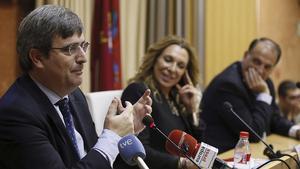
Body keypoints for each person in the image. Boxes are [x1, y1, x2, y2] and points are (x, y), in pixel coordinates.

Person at [0, 5, 152, 169]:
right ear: (37, 57)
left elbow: (96, 161)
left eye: (83, 46)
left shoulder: (74, 96)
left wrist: (124, 135)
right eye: (70, 49)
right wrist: (112, 137)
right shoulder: (16, 114)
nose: (83, 58)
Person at [114, 35, 203, 169]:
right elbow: (138, 150)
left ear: (186, 73)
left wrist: (192, 111)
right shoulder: (139, 92)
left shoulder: (176, 98)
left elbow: (196, 148)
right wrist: (181, 163)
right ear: (155, 59)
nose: (172, 69)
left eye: (180, 66)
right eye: (168, 60)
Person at [200, 37, 300, 153]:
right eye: (256, 62)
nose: (260, 70)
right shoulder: (228, 84)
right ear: (246, 56)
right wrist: (263, 95)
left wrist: (295, 130)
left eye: (267, 67)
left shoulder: (266, 82)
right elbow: (252, 134)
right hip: (222, 156)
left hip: (249, 153)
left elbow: (274, 119)